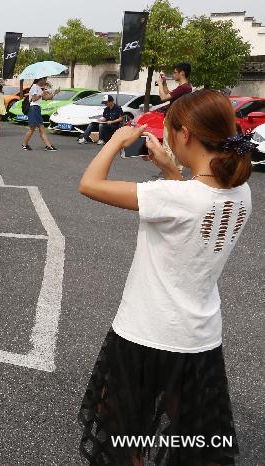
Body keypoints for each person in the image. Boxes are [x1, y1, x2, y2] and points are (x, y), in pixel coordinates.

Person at [76, 89, 251, 466]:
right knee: (191, 433)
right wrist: (172, 170)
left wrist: (118, 140)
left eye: (171, 130)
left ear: (185, 134)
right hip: (199, 334)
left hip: (148, 331)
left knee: (122, 431)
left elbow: (89, 184)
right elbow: (193, 206)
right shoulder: (241, 191)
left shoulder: (177, 196)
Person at [157, 62, 193, 173]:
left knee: (168, 145)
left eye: (175, 72)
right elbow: (169, 94)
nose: (173, 74)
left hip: (172, 119)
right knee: (175, 144)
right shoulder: (185, 88)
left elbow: (163, 97)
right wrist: (164, 83)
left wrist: (159, 84)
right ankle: (177, 170)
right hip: (177, 118)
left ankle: (169, 170)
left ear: (182, 73)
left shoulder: (184, 88)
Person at [21, 78, 57, 151]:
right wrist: (41, 94)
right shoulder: (34, 86)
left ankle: (48, 145)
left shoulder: (39, 88)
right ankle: (24, 144)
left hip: (37, 109)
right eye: (45, 79)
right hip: (34, 108)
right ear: (40, 79)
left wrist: (54, 93)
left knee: (41, 129)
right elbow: (34, 98)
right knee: (32, 129)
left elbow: (46, 98)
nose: (46, 81)